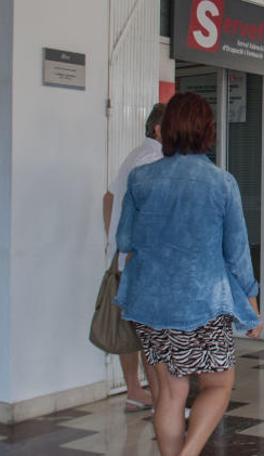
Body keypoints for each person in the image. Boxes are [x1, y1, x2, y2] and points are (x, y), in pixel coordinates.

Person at [115, 92, 264, 456]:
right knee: (218, 385)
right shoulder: (222, 182)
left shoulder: (141, 178)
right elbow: (236, 251)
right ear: (207, 131)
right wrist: (251, 299)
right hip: (202, 303)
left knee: (170, 392)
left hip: (148, 303)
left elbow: (125, 238)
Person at [103, 103, 165, 413]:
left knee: (132, 326)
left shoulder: (136, 154)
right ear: (159, 129)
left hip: (125, 254)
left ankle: (134, 390)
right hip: (139, 257)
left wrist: (114, 242)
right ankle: (159, 398)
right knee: (148, 329)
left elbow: (109, 197)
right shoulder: (153, 158)